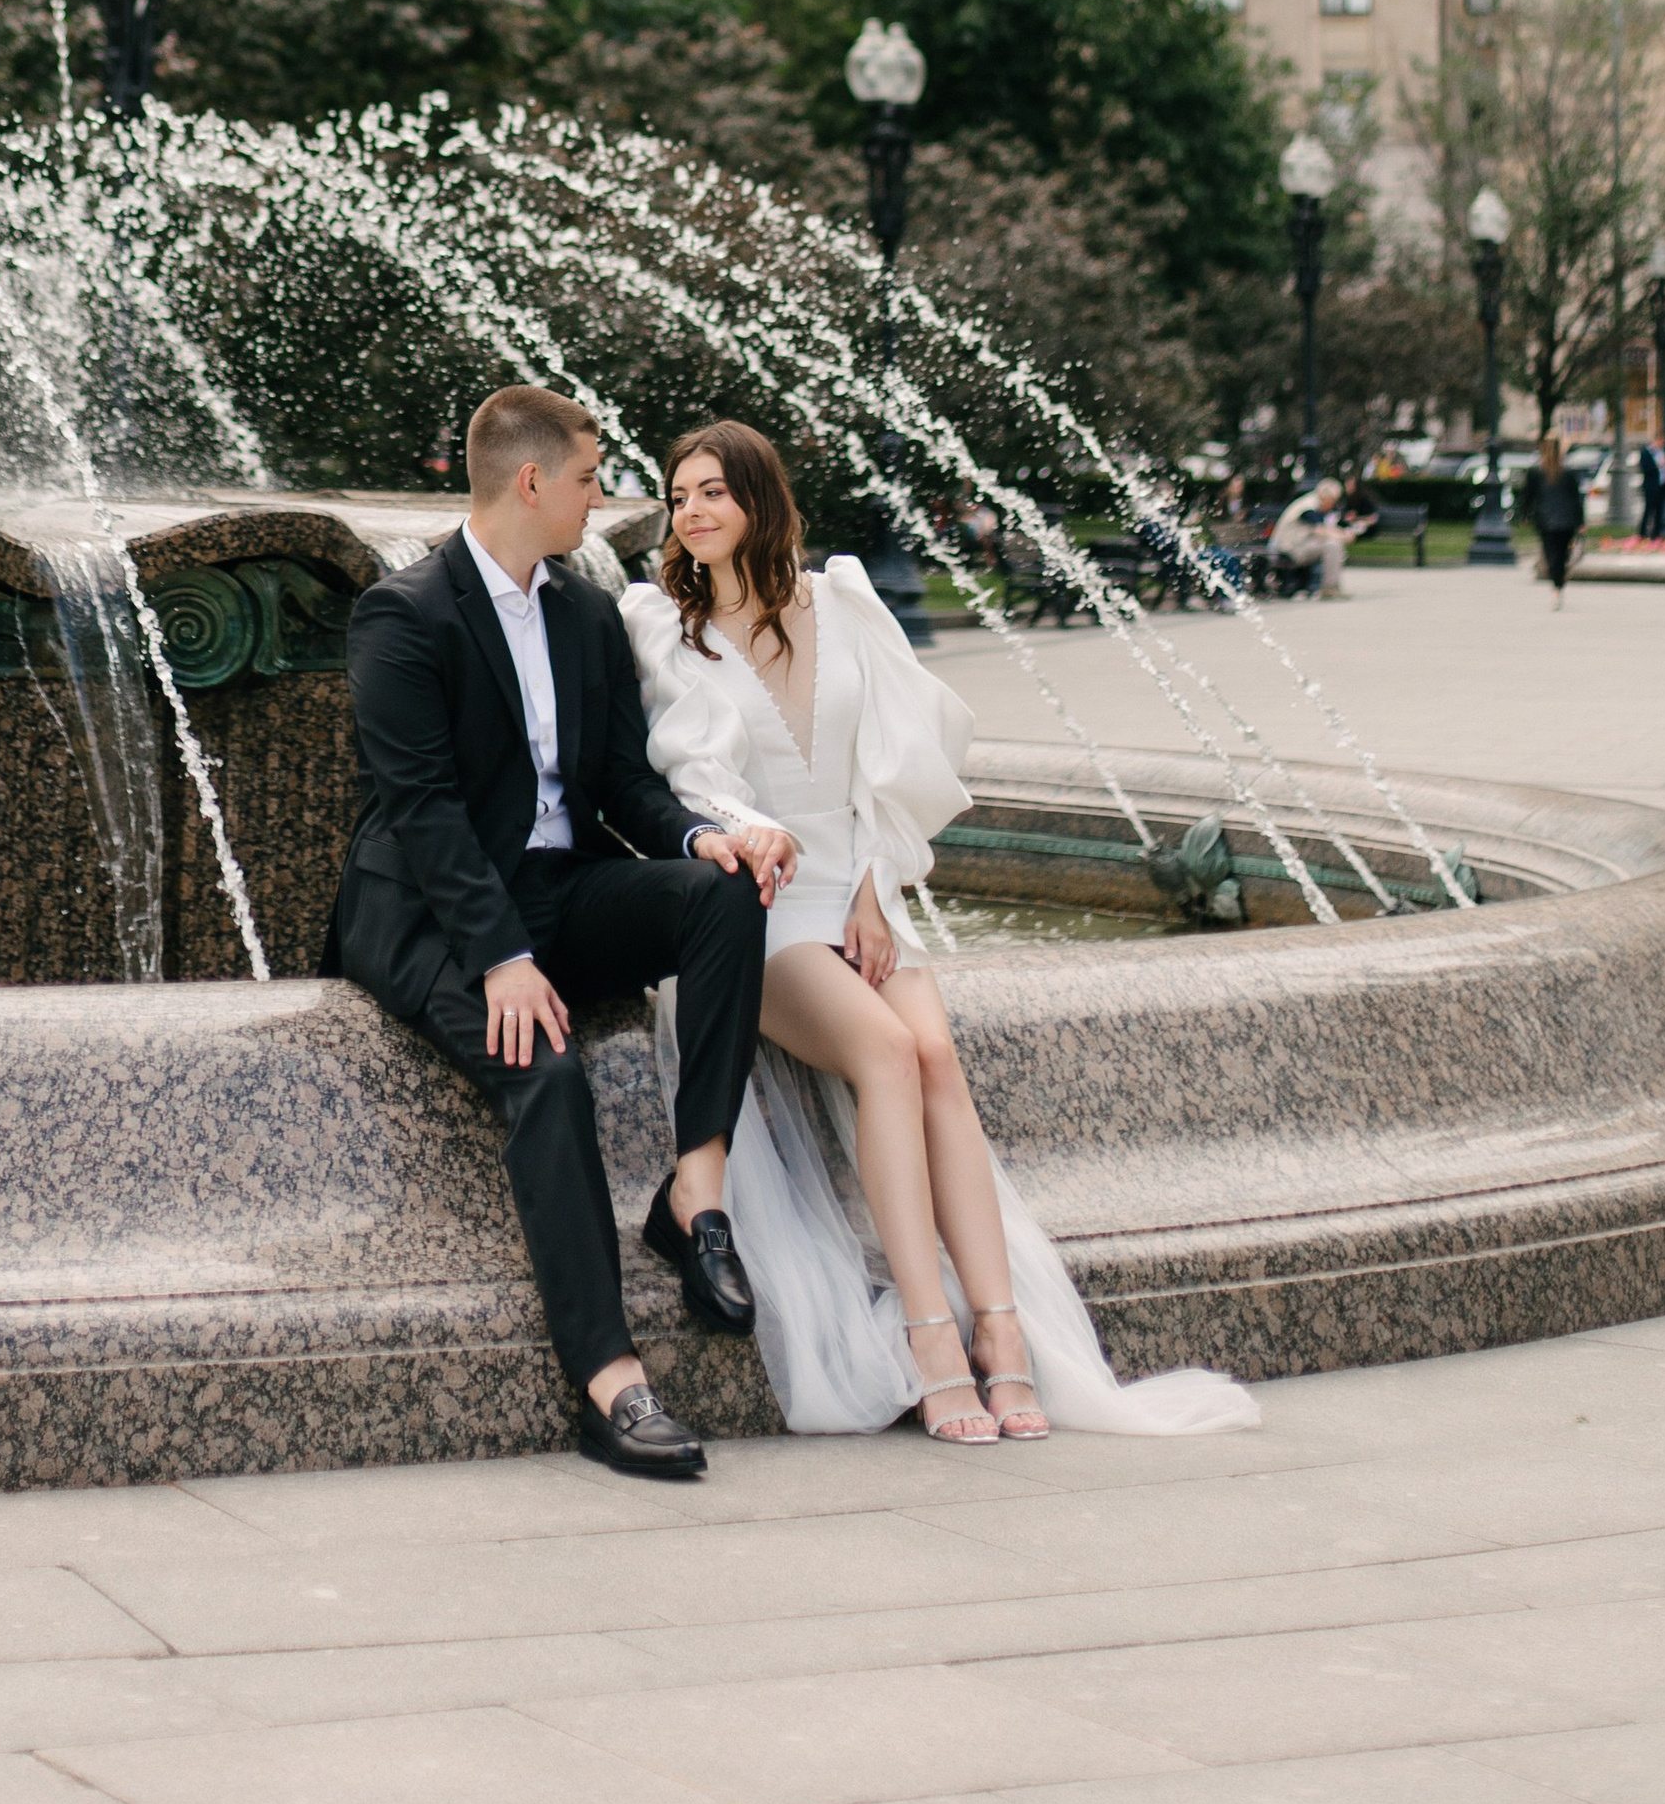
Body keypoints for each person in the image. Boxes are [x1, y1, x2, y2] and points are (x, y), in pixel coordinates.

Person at [623, 421, 1258, 1446]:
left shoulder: (840, 601)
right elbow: (692, 775)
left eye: (712, 491)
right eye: (677, 494)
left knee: (934, 1056)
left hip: (857, 883)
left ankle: (1001, 1337)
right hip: (760, 902)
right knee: (881, 1051)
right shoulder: (663, 623)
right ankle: (929, 1340)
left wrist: (873, 885)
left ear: (757, 497)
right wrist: (753, 836)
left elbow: (900, 754)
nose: (691, 511)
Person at [327, 384, 795, 1484]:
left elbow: (624, 781)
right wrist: (501, 958)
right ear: (530, 482)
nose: (603, 497)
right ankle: (610, 1381)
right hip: (431, 914)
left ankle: (692, 1192)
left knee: (721, 896)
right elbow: (424, 808)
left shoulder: (585, 612)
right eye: (590, 477)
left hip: (559, 886)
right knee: (545, 1070)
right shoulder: (404, 614)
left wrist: (698, 835)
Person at [1267, 476, 1362, 598]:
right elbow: (1321, 530)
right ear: (1325, 497)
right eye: (1332, 501)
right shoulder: (1308, 507)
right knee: (1332, 545)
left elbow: (1325, 528)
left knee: (1332, 542)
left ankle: (1329, 587)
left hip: (1296, 545)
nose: (1332, 506)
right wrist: (1345, 535)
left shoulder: (1312, 502)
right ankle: (1329, 589)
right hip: (1288, 549)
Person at [1521, 435, 1585, 599]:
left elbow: (1528, 497)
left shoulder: (1535, 472)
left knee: (1551, 554)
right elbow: (1576, 499)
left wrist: (1525, 515)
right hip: (1567, 521)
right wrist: (1580, 522)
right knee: (1563, 554)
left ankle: (1557, 584)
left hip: (1545, 520)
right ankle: (1559, 581)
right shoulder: (1569, 472)